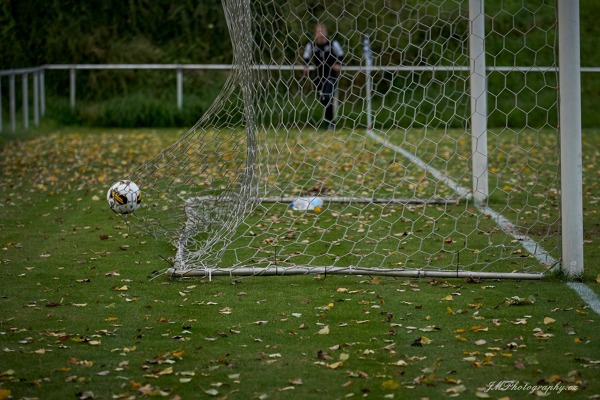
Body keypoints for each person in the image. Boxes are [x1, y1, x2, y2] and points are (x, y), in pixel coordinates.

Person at [302, 24, 344, 130]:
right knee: (322, 99)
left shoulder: (333, 43)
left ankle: (331, 123)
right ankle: (329, 120)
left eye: (322, 32)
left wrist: (338, 64)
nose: (320, 34)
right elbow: (306, 56)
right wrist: (306, 66)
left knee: (327, 96)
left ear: (326, 33)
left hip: (331, 75)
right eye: (318, 32)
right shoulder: (311, 44)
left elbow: (341, 54)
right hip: (318, 76)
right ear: (315, 34)